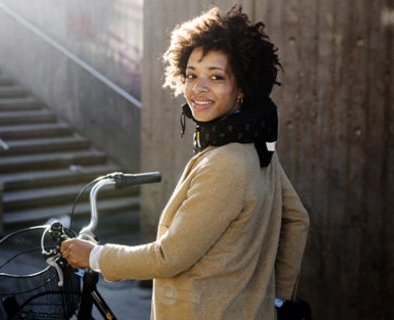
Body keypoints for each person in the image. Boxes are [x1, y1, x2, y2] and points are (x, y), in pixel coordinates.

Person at [60, 5, 310, 320]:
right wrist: (276, 301)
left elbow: (168, 257)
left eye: (216, 77)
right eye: (192, 75)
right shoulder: (255, 146)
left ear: (242, 88)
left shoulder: (226, 163)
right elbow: (297, 220)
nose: (198, 88)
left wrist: (95, 256)